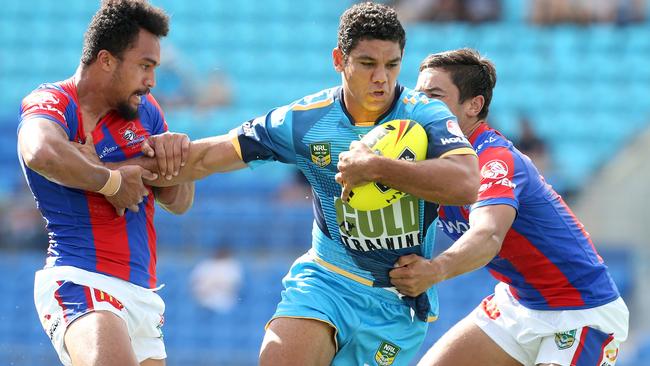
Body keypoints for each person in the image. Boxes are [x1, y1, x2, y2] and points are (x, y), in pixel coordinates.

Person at [136, 3, 479, 364]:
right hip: (328, 279)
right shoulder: (304, 121)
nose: (381, 77)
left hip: (396, 300)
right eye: (367, 64)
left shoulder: (425, 115)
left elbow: (467, 182)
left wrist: (377, 169)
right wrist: (147, 156)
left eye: (392, 64)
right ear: (339, 60)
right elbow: (210, 156)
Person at [388, 48, 628, 366]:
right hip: (517, 304)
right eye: (418, 95)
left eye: (434, 95)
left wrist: (434, 270)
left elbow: (488, 236)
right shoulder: (428, 159)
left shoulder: (495, 161)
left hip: (578, 309)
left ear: (474, 105)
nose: (421, 105)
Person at [17, 1, 195, 365]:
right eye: (145, 66)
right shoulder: (53, 100)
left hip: (143, 294)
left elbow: (178, 202)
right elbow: (40, 151)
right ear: (107, 61)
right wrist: (111, 182)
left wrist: (176, 159)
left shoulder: (145, 109)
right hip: (81, 277)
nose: (152, 80)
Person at [189, 246, 243, 313]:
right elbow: (195, 282)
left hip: (224, 300)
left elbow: (234, 285)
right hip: (204, 299)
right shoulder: (205, 264)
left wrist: (216, 286)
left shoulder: (232, 265)